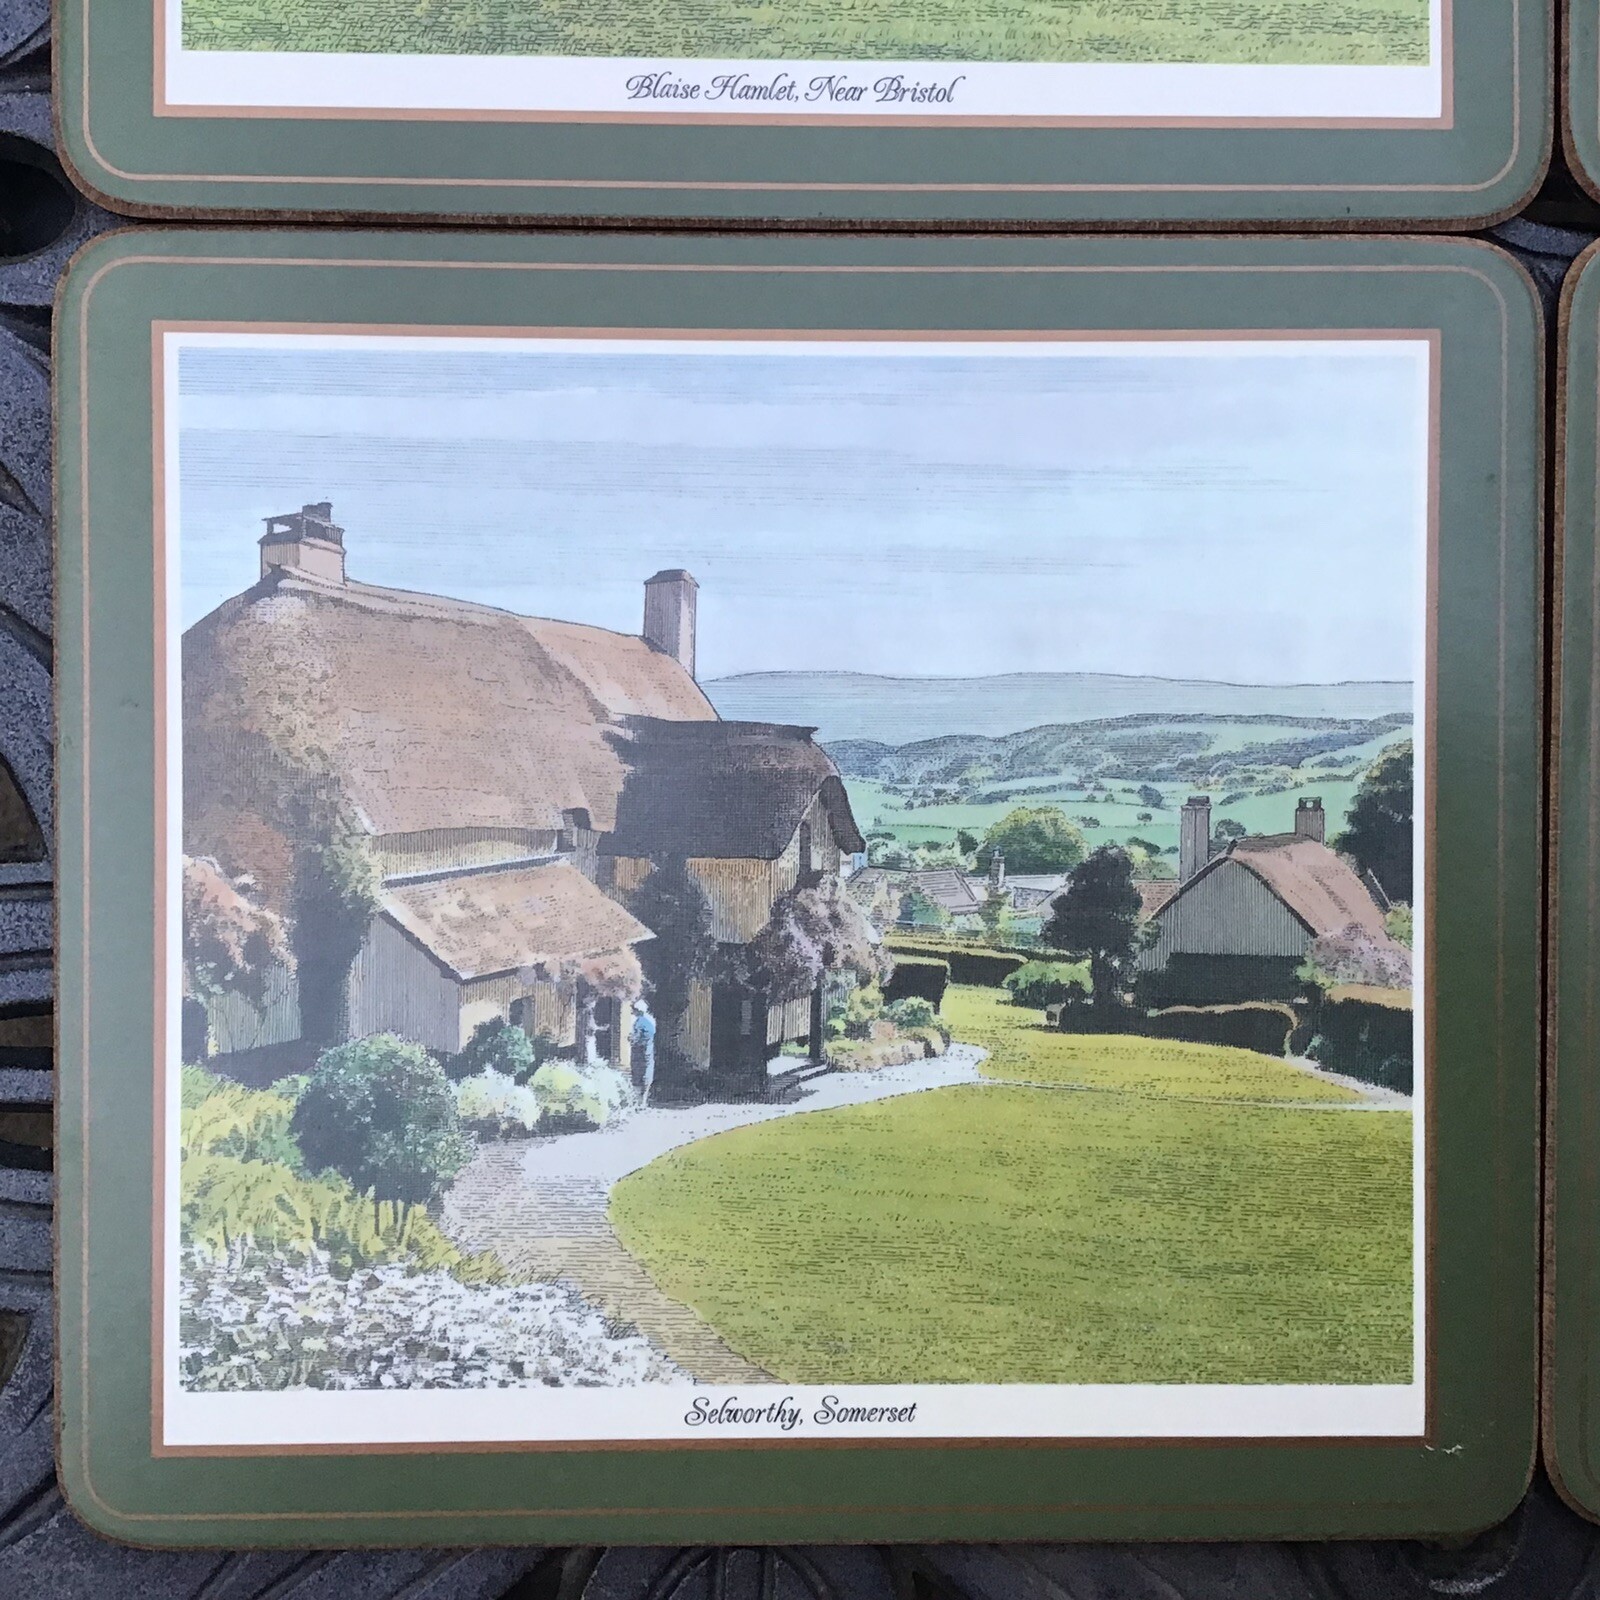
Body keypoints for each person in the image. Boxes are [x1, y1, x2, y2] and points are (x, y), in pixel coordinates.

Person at [629, 998, 657, 1107]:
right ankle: (643, 1101)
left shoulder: (638, 1022)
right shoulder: (651, 1020)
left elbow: (636, 1038)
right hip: (649, 1051)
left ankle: (638, 1102)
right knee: (647, 1074)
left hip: (639, 1051)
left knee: (637, 1074)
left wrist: (631, 1040)